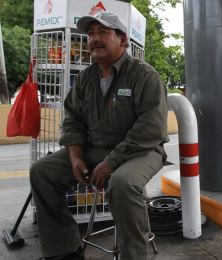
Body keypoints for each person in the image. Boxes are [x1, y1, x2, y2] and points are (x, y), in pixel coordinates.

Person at [30, 11, 169, 260]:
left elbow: (150, 129)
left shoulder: (144, 75)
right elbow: (72, 121)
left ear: (123, 39)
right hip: (97, 147)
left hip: (142, 150)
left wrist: (111, 163)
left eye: (103, 32)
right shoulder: (85, 79)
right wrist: (75, 158)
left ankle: (134, 256)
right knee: (42, 172)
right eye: (91, 33)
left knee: (123, 183)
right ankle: (65, 250)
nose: (94, 38)